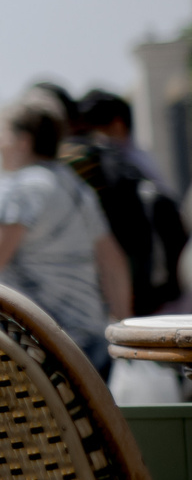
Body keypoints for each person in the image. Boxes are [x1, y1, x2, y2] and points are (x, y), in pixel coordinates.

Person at [0, 90, 130, 372]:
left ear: (22, 141)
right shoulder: (74, 185)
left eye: (0, 134)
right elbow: (113, 262)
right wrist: (122, 333)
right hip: (90, 343)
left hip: (40, 346)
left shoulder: (20, 187)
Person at [67, 89, 185, 316]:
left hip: (135, 290)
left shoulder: (109, 165)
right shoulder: (141, 161)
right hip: (160, 289)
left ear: (117, 124)